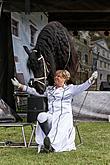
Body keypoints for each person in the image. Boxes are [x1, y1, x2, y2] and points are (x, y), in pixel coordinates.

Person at [11, 70, 98, 153]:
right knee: (41, 116)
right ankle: (44, 142)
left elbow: (82, 87)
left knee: (59, 124)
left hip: (64, 115)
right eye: (55, 76)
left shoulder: (70, 89)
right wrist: (20, 85)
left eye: (59, 76)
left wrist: (91, 80)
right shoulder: (49, 89)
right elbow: (35, 92)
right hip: (52, 114)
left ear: (64, 79)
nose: (56, 78)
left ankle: (52, 145)